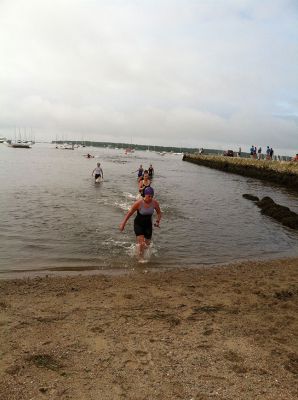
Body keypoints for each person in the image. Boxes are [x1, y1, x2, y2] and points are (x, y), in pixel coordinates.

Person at [119, 187, 162, 261]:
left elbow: (159, 213)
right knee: (141, 243)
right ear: (145, 195)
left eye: (152, 196)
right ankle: (140, 259)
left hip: (148, 225)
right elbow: (129, 213)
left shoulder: (155, 203)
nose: (150, 198)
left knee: (147, 245)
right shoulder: (138, 203)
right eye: (149, 196)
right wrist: (123, 223)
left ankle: (138, 252)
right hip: (138, 224)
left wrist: (157, 221)